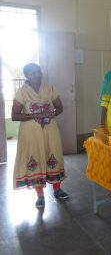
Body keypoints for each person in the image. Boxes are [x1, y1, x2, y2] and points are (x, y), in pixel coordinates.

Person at [12, 63, 69, 209]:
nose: (37, 75)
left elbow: (60, 107)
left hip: (50, 130)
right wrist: (37, 114)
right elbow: (15, 115)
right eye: (33, 73)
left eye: (38, 72)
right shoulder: (22, 92)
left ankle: (57, 189)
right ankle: (40, 195)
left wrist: (51, 114)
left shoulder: (49, 88)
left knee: (53, 155)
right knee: (35, 157)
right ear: (27, 76)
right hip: (31, 134)